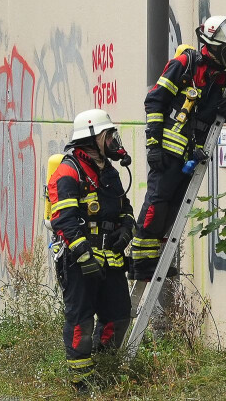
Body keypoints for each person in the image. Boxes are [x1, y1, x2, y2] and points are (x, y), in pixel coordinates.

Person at [130, 14, 226, 281]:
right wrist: (153, 145)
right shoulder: (186, 64)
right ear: (215, 47)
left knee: (174, 208)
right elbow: (154, 101)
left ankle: (154, 259)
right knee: (157, 204)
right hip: (168, 152)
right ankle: (140, 261)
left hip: (193, 154)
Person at [48, 109, 135, 391]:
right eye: (108, 135)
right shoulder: (69, 170)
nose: (113, 141)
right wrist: (84, 256)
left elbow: (126, 209)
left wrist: (126, 230)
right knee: (81, 322)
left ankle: (105, 369)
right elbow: (64, 221)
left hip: (110, 260)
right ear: (92, 138)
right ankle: (82, 383)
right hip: (78, 263)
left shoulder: (109, 171)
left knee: (119, 317)